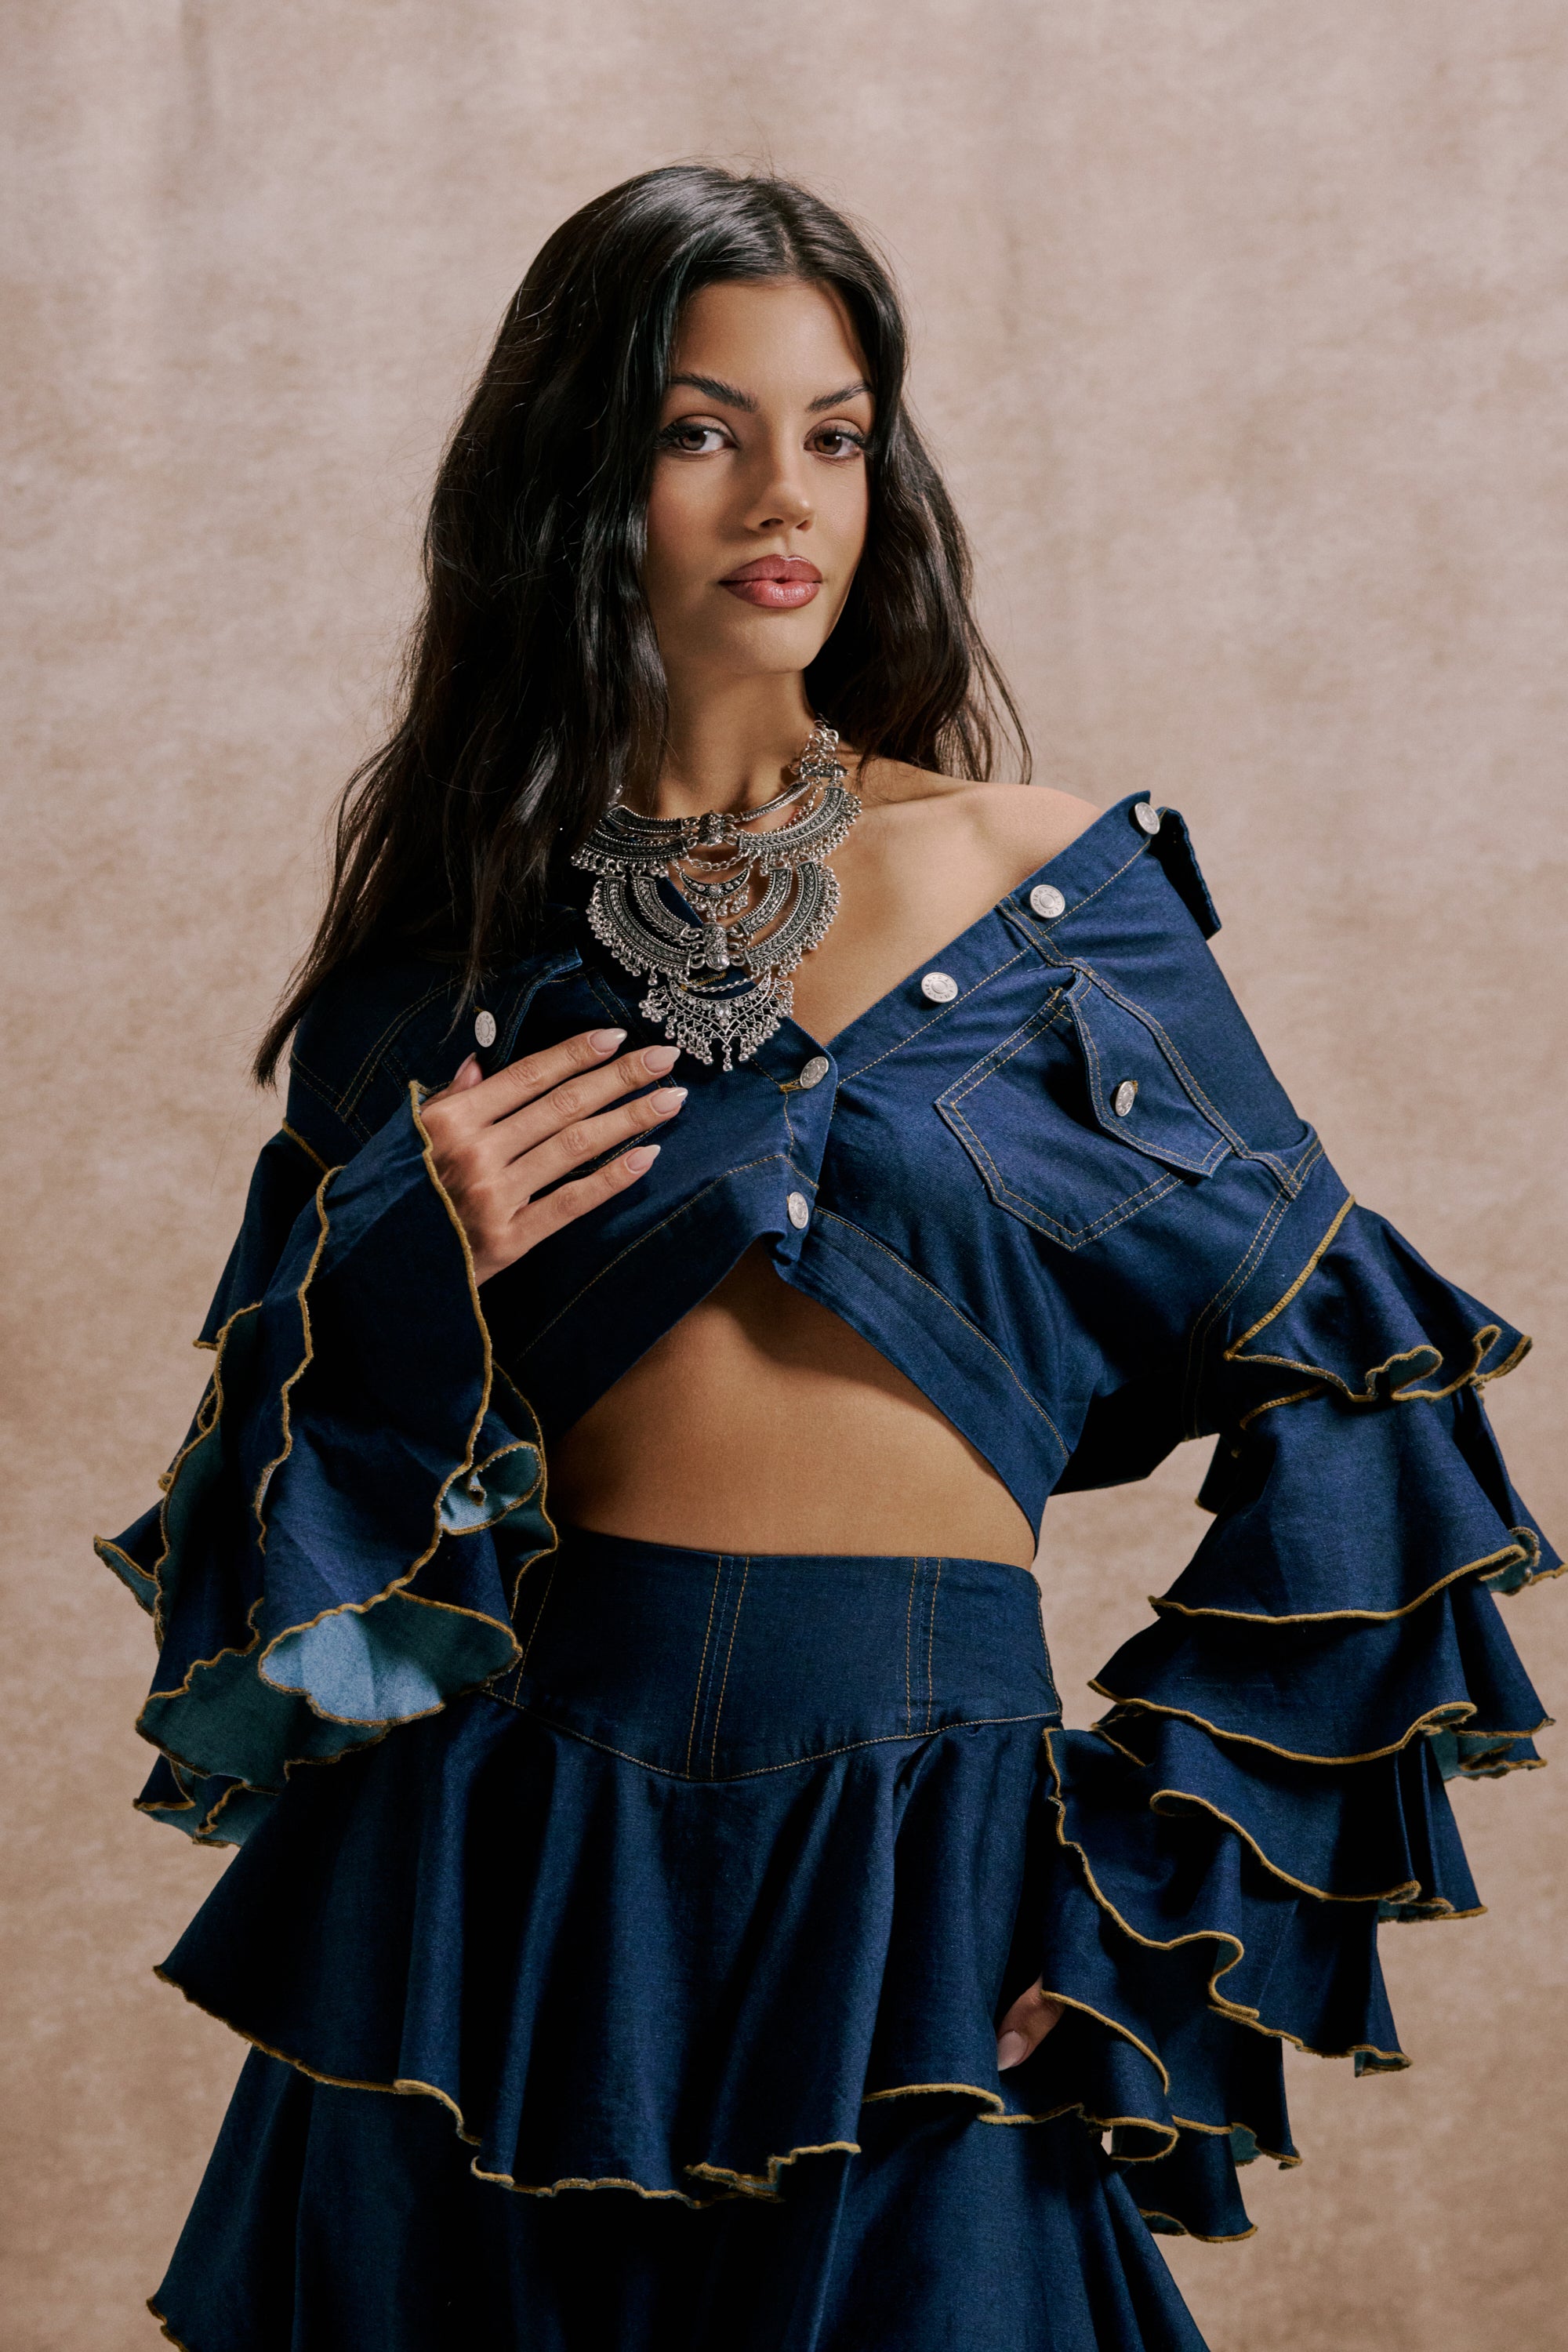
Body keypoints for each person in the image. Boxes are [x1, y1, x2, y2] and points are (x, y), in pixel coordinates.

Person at [100, 165, 1556, 2352]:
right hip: (504, 1878)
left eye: (837, 431)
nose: (785, 493)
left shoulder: (1045, 895)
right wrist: (421, 1260)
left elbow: (1367, 1391)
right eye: (703, 430)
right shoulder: (444, 972)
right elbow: (283, 1545)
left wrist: (1159, 1865)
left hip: (928, 1845)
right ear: (578, 479)